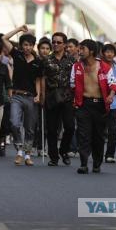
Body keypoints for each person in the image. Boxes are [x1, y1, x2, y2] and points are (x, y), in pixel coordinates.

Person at [71, 39, 116, 174]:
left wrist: (111, 95)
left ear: (91, 51)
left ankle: (97, 163)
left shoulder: (104, 67)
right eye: (79, 49)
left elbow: (114, 84)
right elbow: (72, 84)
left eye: (82, 49)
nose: (80, 51)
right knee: (83, 135)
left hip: (100, 106)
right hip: (83, 105)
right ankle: (84, 163)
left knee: (98, 136)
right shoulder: (77, 67)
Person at [2, 25, 42, 167]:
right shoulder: (17, 55)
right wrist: (19, 29)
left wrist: (38, 95)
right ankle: (19, 150)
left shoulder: (38, 62)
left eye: (30, 45)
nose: (27, 47)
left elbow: (38, 80)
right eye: (25, 45)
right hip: (17, 96)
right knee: (13, 122)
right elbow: (4, 39)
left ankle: (27, 154)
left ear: (33, 46)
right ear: (21, 45)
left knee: (30, 127)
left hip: (31, 97)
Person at [41, 32, 75, 166]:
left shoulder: (72, 60)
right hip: (52, 97)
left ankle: (64, 150)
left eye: (58, 42)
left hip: (67, 97)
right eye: (53, 42)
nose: (55, 44)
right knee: (51, 129)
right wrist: (42, 96)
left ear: (64, 44)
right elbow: (42, 79)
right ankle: (53, 157)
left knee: (70, 126)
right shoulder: (46, 60)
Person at [101, 43, 116, 163]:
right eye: (107, 51)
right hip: (100, 103)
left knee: (112, 130)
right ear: (103, 53)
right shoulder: (98, 67)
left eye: (111, 52)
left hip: (114, 104)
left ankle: (110, 154)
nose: (109, 54)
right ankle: (98, 152)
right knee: (99, 130)